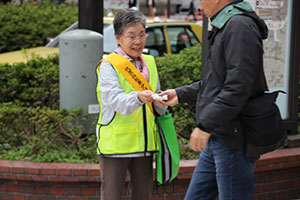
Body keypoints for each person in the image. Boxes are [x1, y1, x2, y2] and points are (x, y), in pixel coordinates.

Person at [157, 0, 269, 199]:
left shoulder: (239, 27)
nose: (199, 6)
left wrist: (205, 126)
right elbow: (216, 83)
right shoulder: (226, 25)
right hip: (219, 136)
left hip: (233, 138)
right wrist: (180, 93)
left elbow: (237, 87)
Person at [95, 8, 166, 200]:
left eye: (142, 35)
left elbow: (155, 100)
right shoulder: (109, 64)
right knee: (112, 196)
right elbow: (115, 100)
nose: (138, 41)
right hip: (116, 146)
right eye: (131, 36)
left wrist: (163, 101)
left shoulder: (150, 62)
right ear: (118, 38)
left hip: (144, 144)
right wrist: (139, 97)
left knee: (143, 195)